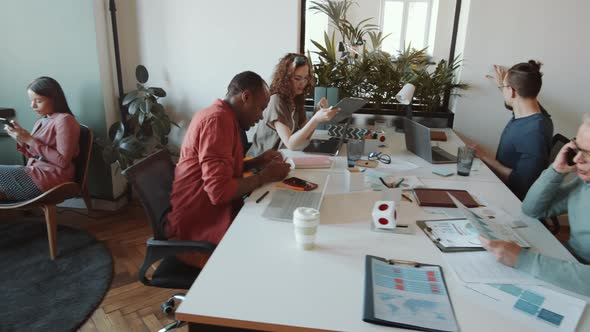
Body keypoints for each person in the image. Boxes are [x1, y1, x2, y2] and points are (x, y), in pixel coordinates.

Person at [167, 71, 291, 267]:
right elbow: (219, 191)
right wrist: (265, 176)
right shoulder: (217, 121)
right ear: (246, 97)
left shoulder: (221, 115)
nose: (261, 117)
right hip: (198, 231)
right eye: (261, 108)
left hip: (208, 215)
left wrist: (257, 161)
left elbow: (221, 170)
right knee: (273, 248)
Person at [480, 114, 590, 296]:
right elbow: (533, 209)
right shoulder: (583, 184)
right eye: (577, 148)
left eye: (587, 153)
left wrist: (522, 260)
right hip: (568, 264)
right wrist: (556, 171)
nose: (578, 159)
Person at [472, 61, 553, 200]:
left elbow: (521, 183)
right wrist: (503, 85)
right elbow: (518, 102)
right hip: (500, 186)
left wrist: (484, 157)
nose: (502, 89)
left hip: (510, 198)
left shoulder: (534, 133)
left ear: (512, 91)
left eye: (504, 87)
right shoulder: (534, 117)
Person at [1, 76, 80, 201]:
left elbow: (63, 162)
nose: (33, 105)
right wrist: (19, 137)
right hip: (34, 172)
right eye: (31, 100)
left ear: (54, 99)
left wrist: (30, 140)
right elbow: (33, 156)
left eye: (38, 101)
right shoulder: (42, 121)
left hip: (52, 177)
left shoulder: (65, 120)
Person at [247, 53, 339, 157]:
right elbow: (290, 144)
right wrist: (315, 119)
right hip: (260, 163)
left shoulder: (296, 99)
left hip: (282, 158)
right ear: (285, 78)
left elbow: (306, 137)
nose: (302, 83)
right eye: (297, 78)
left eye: (306, 78)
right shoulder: (276, 101)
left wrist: (316, 113)